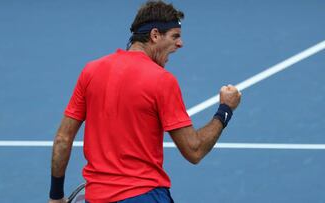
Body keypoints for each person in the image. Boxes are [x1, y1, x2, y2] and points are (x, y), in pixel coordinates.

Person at [48, 1, 241, 202]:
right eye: (175, 36)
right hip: (145, 195)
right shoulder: (162, 80)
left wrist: (55, 196)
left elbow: (63, 139)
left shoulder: (90, 71)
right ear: (155, 35)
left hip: (97, 198)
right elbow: (194, 150)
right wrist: (225, 110)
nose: (180, 43)